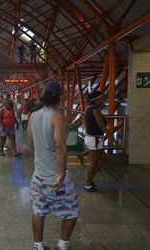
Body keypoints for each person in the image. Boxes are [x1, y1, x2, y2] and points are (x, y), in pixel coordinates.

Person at [28, 82, 79, 250]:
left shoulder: (33, 116)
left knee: (38, 211)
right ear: (59, 98)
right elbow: (60, 147)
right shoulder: (57, 117)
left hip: (38, 177)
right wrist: (61, 174)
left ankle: (38, 246)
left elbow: (32, 143)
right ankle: (63, 246)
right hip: (55, 179)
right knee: (72, 212)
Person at [83, 90, 114, 192]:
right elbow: (102, 126)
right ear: (96, 100)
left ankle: (89, 178)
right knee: (93, 163)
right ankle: (88, 183)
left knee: (104, 159)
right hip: (95, 139)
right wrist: (112, 139)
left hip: (92, 138)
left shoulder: (89, 109)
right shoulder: (95, 110)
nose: (103, 99)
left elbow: (90, 124)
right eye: (101, 98)